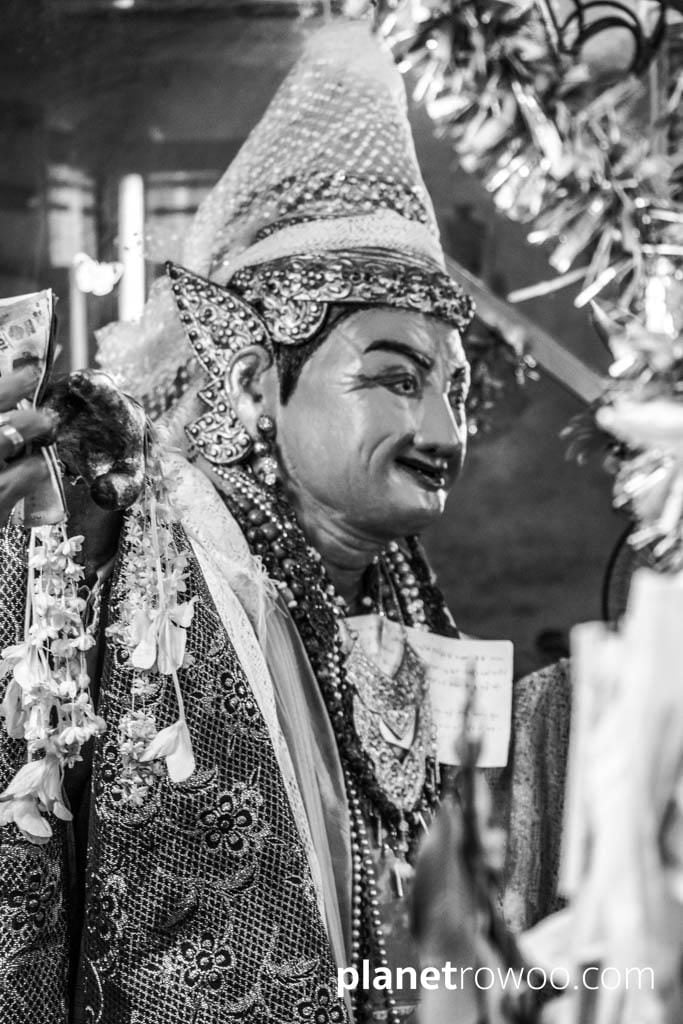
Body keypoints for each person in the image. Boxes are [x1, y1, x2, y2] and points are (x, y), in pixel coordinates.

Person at [0, 21, 570, 1024]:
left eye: (458, 389)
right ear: (257, 378)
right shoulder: (108, 548)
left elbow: (471, 898)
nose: (443, 429)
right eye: (393, 379)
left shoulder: (406, 595)